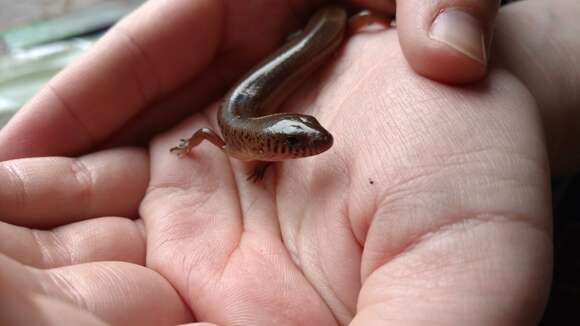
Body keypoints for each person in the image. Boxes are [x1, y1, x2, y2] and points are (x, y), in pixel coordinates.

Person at [0, 0, 578, 324]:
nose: (313, 148)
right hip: (297, 50)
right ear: (274, 146)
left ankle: (345, 20)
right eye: (299, 146)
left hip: (321, 31)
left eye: (301, 141)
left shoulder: (260, 137)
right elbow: (205, 132)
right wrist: (191, 152)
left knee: (331, 30)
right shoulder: (243, 139)